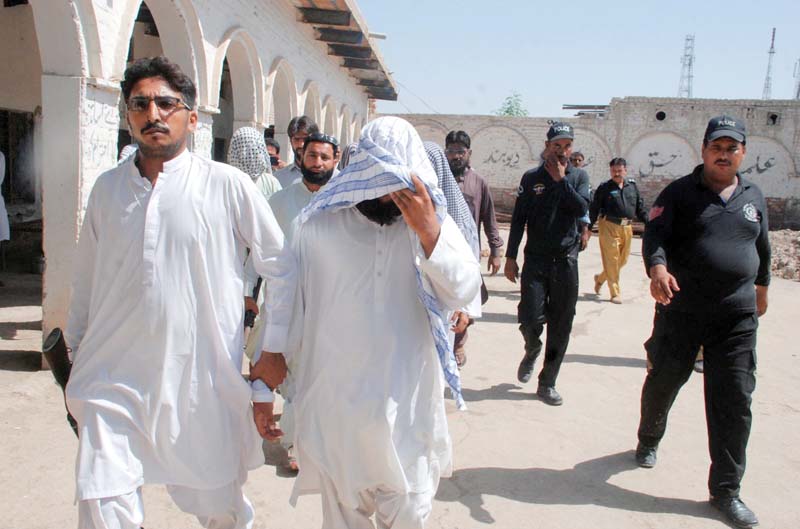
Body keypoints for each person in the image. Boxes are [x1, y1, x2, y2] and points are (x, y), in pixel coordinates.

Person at [64, 56, 294, 529]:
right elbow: (85, 279)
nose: (153, 114)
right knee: (103, 504)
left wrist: (274, 349)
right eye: (140, 104)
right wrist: (75, 356)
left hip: (200, 380)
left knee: (217, 506)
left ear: (191, 116)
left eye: (166, 103)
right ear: (127, 117)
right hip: (111, 378)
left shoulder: (226, 185)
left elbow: (283, 268)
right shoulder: (107, 191)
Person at [254, 116, 480, 528]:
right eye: (379, 177)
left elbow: (464, 289)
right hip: (338, 415)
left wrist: (430, 231)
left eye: (399, 181)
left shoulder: (428, 230)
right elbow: (285, 308)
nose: (389, 191)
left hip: (409, 414)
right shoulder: (317, 227)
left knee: (411, 515)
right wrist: (263, 382)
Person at [635, 116, 770, 529]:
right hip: (682, 312)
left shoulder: (754, 194)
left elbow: (761, 245)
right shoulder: (679, 193)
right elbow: (654, 236)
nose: (724, 154)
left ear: (743, 152)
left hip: (736, 318)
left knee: (734, 401)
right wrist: (657, 268)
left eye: (732, 147)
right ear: (704, 149)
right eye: (717, 146)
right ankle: (649, 437)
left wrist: (762, 287)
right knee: (663, 381)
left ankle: (726, 491)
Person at [246, 131, 340, 471]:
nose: (316, 163)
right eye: (311, 156)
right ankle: (295, 444)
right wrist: (248, 291)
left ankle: (308, 441)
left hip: (331, 306)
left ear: (335, 160)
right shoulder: (280, 201)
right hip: (285, 305)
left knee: (318, 374)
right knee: (291, 374)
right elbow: (257, 252)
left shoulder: (348, 201)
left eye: (323, 157)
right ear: (301, 158)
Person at [504, 122, 590, 406]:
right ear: (547, 146)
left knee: (561, 325)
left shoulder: (578, 177)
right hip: (536, 261)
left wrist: (561, 180)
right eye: (557, 146)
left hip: (566, 262)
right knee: (529, 318)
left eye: (567, 146)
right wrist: (510, 256)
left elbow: (581, 209)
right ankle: (532, 347)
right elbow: (518, 220)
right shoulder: (531, 179)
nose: (563, 151)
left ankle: (548, 382)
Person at [424, 141, 480, 408]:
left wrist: (465, 307)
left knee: (434, 369)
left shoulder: (451, 218)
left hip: (445, 307)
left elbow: (468, 267)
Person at [444, 130, 503, 367]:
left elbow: (489, 217)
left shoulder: (478, 183)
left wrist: (496, 251)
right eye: (451, 151)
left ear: (469, 153)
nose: (456, 156)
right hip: (440, 252)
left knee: (467, 299)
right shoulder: (437, 177)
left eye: (460, 151)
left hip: (467, 255)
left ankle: (458, 343)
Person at [589, 157, 647, 303]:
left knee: (623, 260)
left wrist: (650, 224)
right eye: (613, 171)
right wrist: (588, 228)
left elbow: (640, 208)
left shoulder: (632, 187)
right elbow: (594, 208)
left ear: (625, 171)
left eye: (619, 171)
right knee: (612, 259)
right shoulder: (604, 188)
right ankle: (615, 292)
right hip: (608, 225)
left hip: (627, 227)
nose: (616, 174)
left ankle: (601, 277)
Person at [228, 126, 282, 200]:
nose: (249, 155)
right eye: (244, 150)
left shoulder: (270, 182)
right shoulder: (226, 181)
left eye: (253, 150)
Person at [274, 115, 320, 188]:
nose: (301, 144)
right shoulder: (278, 178)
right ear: (290, 141)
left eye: (305, 139)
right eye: (297, 139)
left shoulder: (332, 178)